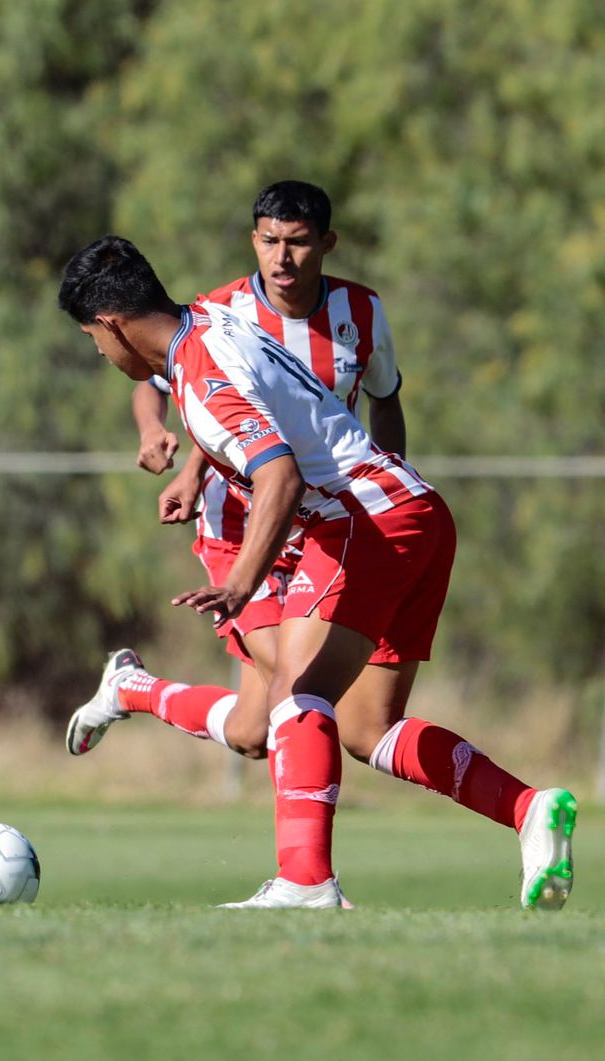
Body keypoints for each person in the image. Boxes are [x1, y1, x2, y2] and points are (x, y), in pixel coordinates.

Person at [56, 234, 576, 910]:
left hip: (364, 522)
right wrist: (198, 470)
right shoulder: (215, 322)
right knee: (365, 729)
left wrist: (242, 581)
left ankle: (305, 882)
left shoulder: (200, 375)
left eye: (93, 341)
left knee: (294, 699)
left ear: (114, 325)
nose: (99, 354)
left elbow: (280, 474)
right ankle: (529, 809)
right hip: (415, 511)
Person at [114, 181, 406, 759]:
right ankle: (304, 853)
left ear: (327, 243)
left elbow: (385, 399)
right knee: (303, 692)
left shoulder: (362, 312)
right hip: (241, 522)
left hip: (326, 522)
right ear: (253, 240)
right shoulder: (218, 313)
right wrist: (161, 442)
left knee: (254, 732)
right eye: (269, 241)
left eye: (297, 242)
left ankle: (132, 689)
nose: (282, 258)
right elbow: (158, 388)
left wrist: (388, 484)